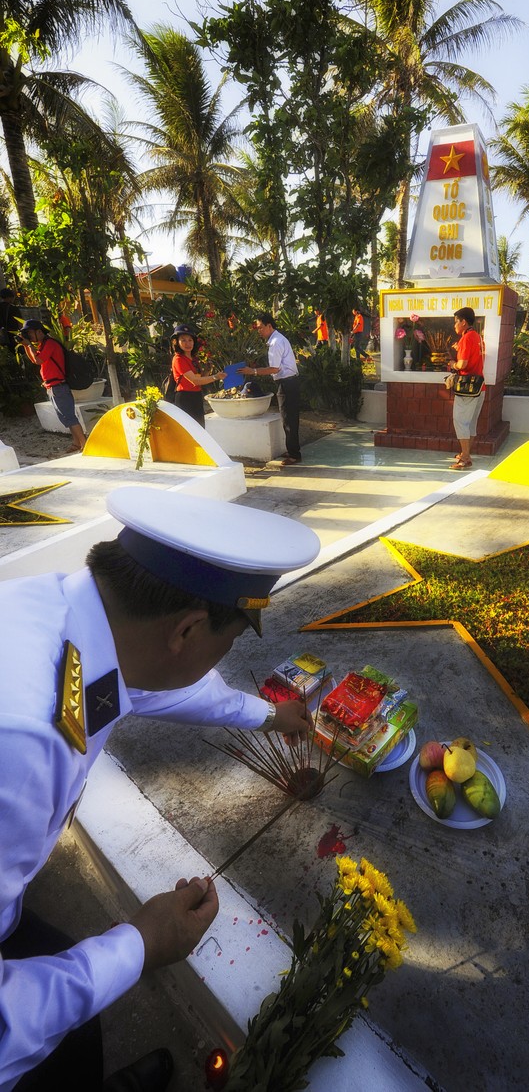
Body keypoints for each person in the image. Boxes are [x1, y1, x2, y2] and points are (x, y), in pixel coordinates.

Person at [0, 486, 321, 1091]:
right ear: (188, 630)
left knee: (77, 1028)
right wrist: (143, 944)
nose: (219, 657)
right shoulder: (19, 743)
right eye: (227, 641)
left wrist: (267, 714)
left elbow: (156, 688)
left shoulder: (69, 621)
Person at [241, 313, 301, 467]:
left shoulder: (275, 342)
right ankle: (292, 450)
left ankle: (294, 455)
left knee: (289, 419)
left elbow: (274, 368)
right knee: (289, 417)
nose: (259, 331)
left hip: (287, 383)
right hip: (289, 382)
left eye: (261, 327)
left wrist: (252, 372)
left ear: (269, 326)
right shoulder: (277, 339)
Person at [19, 318, 86, 453]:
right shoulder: (42, 345)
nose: (30, 336)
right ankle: (76, 442)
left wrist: (29, 345)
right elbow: (34, 359)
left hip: (59, 386)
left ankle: (85, 444)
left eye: (30, 333)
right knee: (65, 417)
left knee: (69, 416)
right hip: (53, 386)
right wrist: (26, 346)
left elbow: (38, 360)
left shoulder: (50, 343)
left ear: (39, 331)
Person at [446, 306, 485, 470]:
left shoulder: (466, 338)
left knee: (460, 421)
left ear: (463, 322)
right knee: (471, 423)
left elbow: (463, 364)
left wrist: (452, 364)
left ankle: (465, 458)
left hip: (467, 388)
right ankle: (465, 453)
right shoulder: (477, 336)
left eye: (456, 322)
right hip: (479, 387)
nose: (454, 325)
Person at [170, 324, 224, 428]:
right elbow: (195, 381)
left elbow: (199, 378)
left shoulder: (193, 359)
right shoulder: (178, 359)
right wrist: (215, 377)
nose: (187, 343)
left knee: (199, 428)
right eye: (183, 340)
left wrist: (208, 371)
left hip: (196, 396)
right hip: (184, 398)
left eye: (190, 340)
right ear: (176, 342)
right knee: (189, 431)